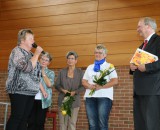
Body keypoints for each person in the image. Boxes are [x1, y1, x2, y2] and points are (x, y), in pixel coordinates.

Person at [5, 29, 43, 130]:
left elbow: (36, 72)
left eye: (33, 38)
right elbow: (27, 68)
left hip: (30, 92)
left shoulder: (31, 54)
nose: (33, 41)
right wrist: (37, 54)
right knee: (17, 117)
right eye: (30, 38)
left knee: (24, 119)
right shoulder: (17, 51)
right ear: (22, 40)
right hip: (18, 90)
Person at [130, 17, 160, 130]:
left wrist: (147, 67)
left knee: (152, 124)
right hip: (139, 91)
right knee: (140, 124)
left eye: (139, 26)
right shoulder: (141, 46)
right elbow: (137, 65)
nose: (137, 29)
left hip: (152, 90)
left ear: (148, 26)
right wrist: (132, 67)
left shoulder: (158, 41)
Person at [82, 44, 118, 130]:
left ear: (105, 55)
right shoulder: (90, 67)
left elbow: (115, 81)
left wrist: (101, 86)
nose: (97, 54)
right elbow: (84, 81)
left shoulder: (110, 66)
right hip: (90, 97)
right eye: (96, 52)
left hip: (104, 97)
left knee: (102, 124)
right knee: (92, 124)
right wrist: (90, 86)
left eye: (100, 53)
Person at [55, 51, 84, 130]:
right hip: (63, 101)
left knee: (72, 123)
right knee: (62, 124)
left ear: (76, 60)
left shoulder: (80, 72)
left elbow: (83, 86)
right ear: (67, 60)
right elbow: (57, 85)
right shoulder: (62, 71)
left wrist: (75, 92)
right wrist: (63, 90)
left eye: (72, 58)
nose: (70, 60)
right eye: (68, 58)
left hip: (74, 101)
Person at [27, 52, 55, 130]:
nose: (43, 61)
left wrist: (43, 72)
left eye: (46, 60)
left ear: (49, 63)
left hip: (43, 101)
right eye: (42, 59)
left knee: (40, 122)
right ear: (39, 59)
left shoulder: (51, 73)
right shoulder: (33, 70)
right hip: (31, 98)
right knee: (31, 122)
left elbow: (49, 85)